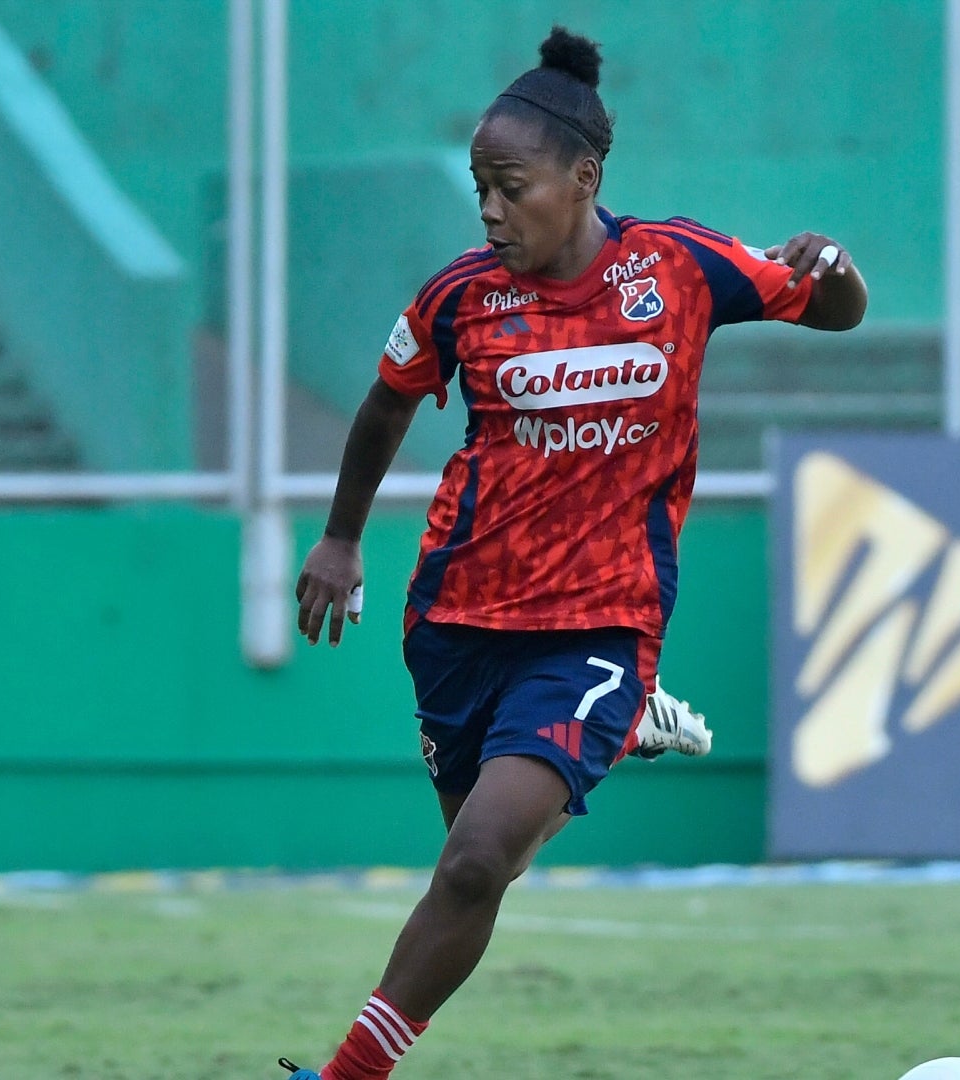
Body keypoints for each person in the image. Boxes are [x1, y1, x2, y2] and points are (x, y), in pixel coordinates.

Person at [278, 26, 866, 1080]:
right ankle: (621, 727)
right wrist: (339, 536)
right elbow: (383, 405)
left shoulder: (678, 268)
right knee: (484, 858)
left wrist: (835, 268)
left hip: (600, 622)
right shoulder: (461, 296)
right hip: (457, 618)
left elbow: (832, 311)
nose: (492, 210)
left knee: (472, 864)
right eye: (480, 190)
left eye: (511, 186)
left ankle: (344, 1076)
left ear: (584, 177)